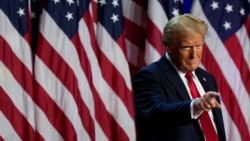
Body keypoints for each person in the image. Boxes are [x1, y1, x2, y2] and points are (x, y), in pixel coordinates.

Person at [132, 14, 226, 141]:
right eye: (186, 47)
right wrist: (195, 105)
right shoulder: (149, 76)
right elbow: (157, 112)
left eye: (198, 46)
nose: (194, 55)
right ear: (168, 46)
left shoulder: (207, 78)